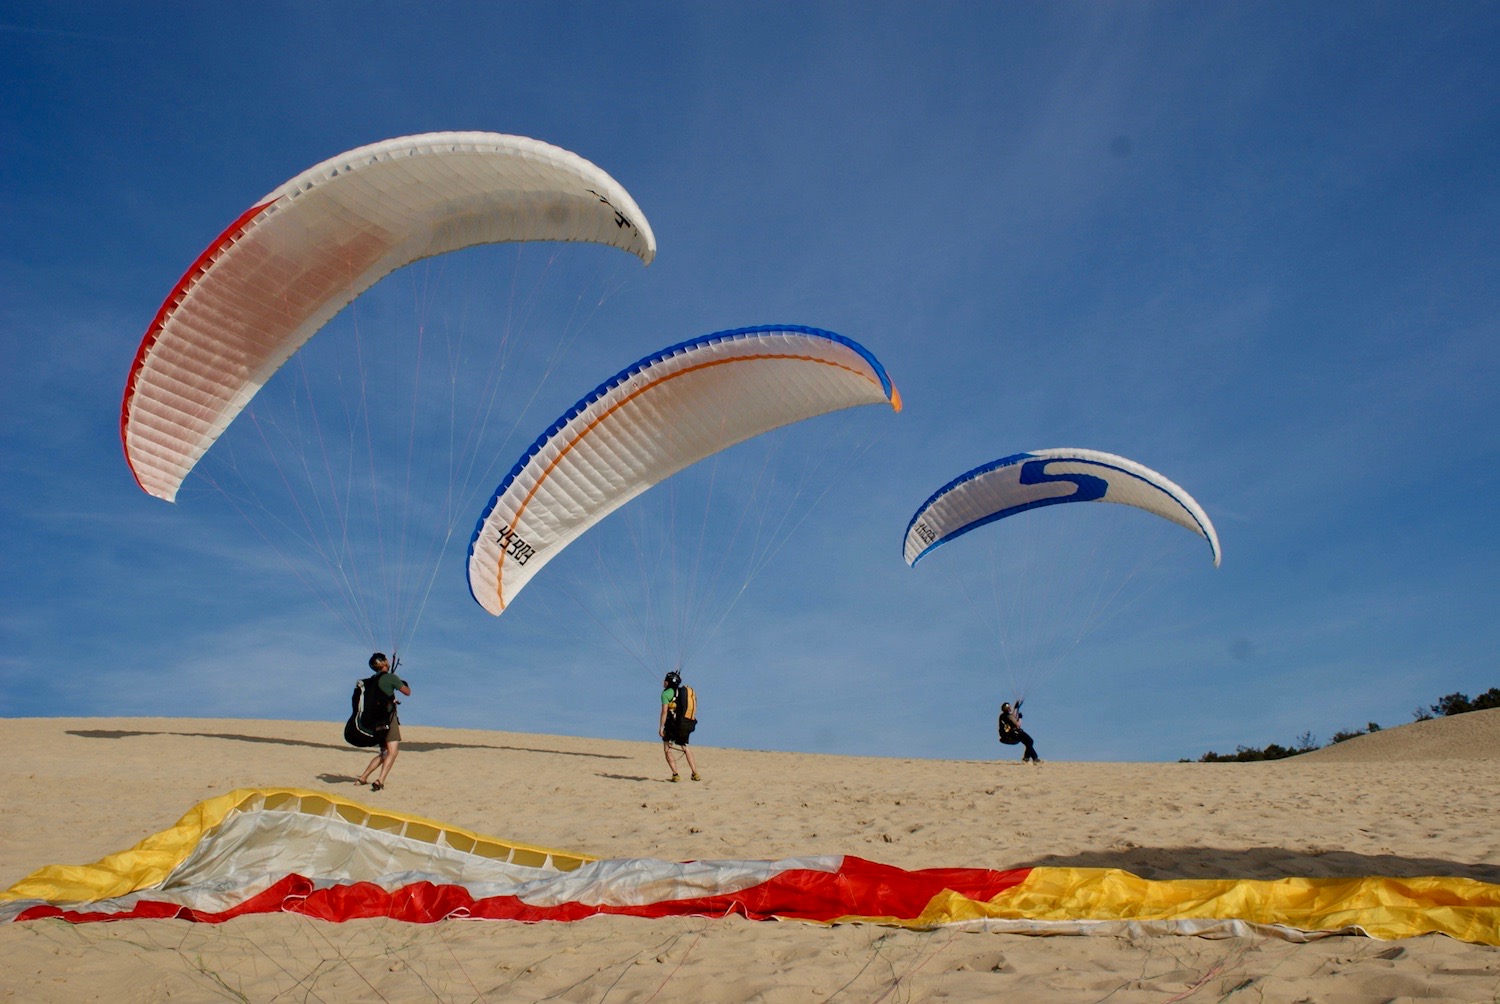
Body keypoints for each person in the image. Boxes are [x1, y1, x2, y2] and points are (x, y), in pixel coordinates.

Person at [357, 652, 411, 791]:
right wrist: (402, 683)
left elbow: (379, 697)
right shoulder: (390, 678)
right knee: (393, 752)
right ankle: (380, 780)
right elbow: (407, 692)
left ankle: (363, 778)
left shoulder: (371, 681)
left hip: (375, 722)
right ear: (384, 662)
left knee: (384, 753)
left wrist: (391, 699)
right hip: (388, 719)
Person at [659, 670, 701, 782]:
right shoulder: (682, 692)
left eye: (666, 680)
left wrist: (661, 727)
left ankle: (675, 774)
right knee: (685, 748)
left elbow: (664, 711)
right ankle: (695, 773)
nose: (664, 682)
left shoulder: (665, 694)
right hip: (683, 724)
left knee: (667, 748)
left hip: (672, 725)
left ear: (669, 682)